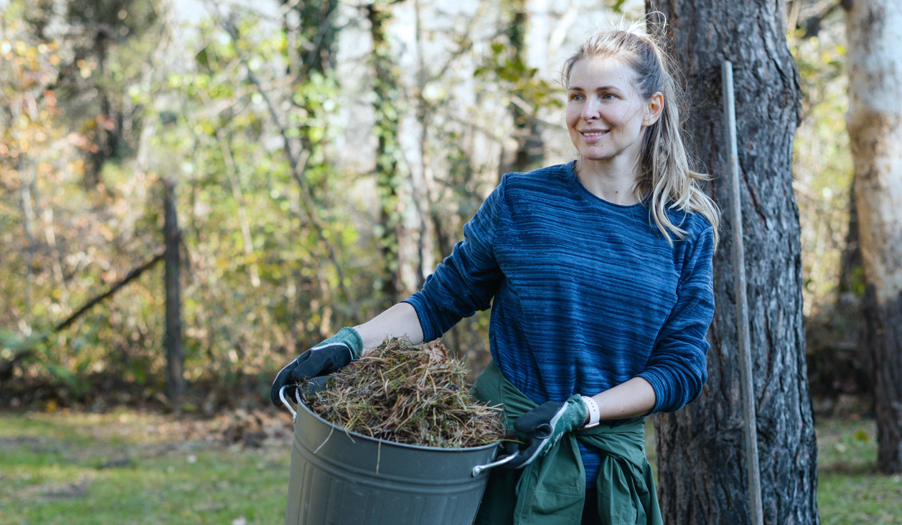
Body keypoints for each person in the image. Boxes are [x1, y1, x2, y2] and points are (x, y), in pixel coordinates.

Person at [272, 21, 719, 525]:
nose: (587, 113)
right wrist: (350, 343)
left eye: (607, 96)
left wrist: (585, 410)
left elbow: (680, 370)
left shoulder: (685, 229)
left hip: (610, 486)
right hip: (506, 459)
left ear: (651, 109)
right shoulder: (522, 201)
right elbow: (437, 303)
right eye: (576, 96)